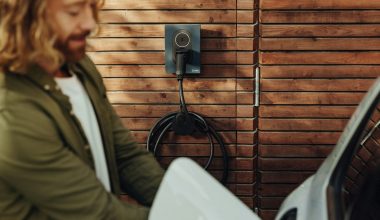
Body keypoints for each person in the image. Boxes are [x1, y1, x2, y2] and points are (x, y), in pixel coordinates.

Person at [0, 0, 164, 219]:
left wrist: (185, 202)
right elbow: (98, 214)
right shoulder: (12, 109)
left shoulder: (80, 66)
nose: (90, 23)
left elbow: (125, 157)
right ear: (25, 14)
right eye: (73, 11)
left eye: (91, 7)